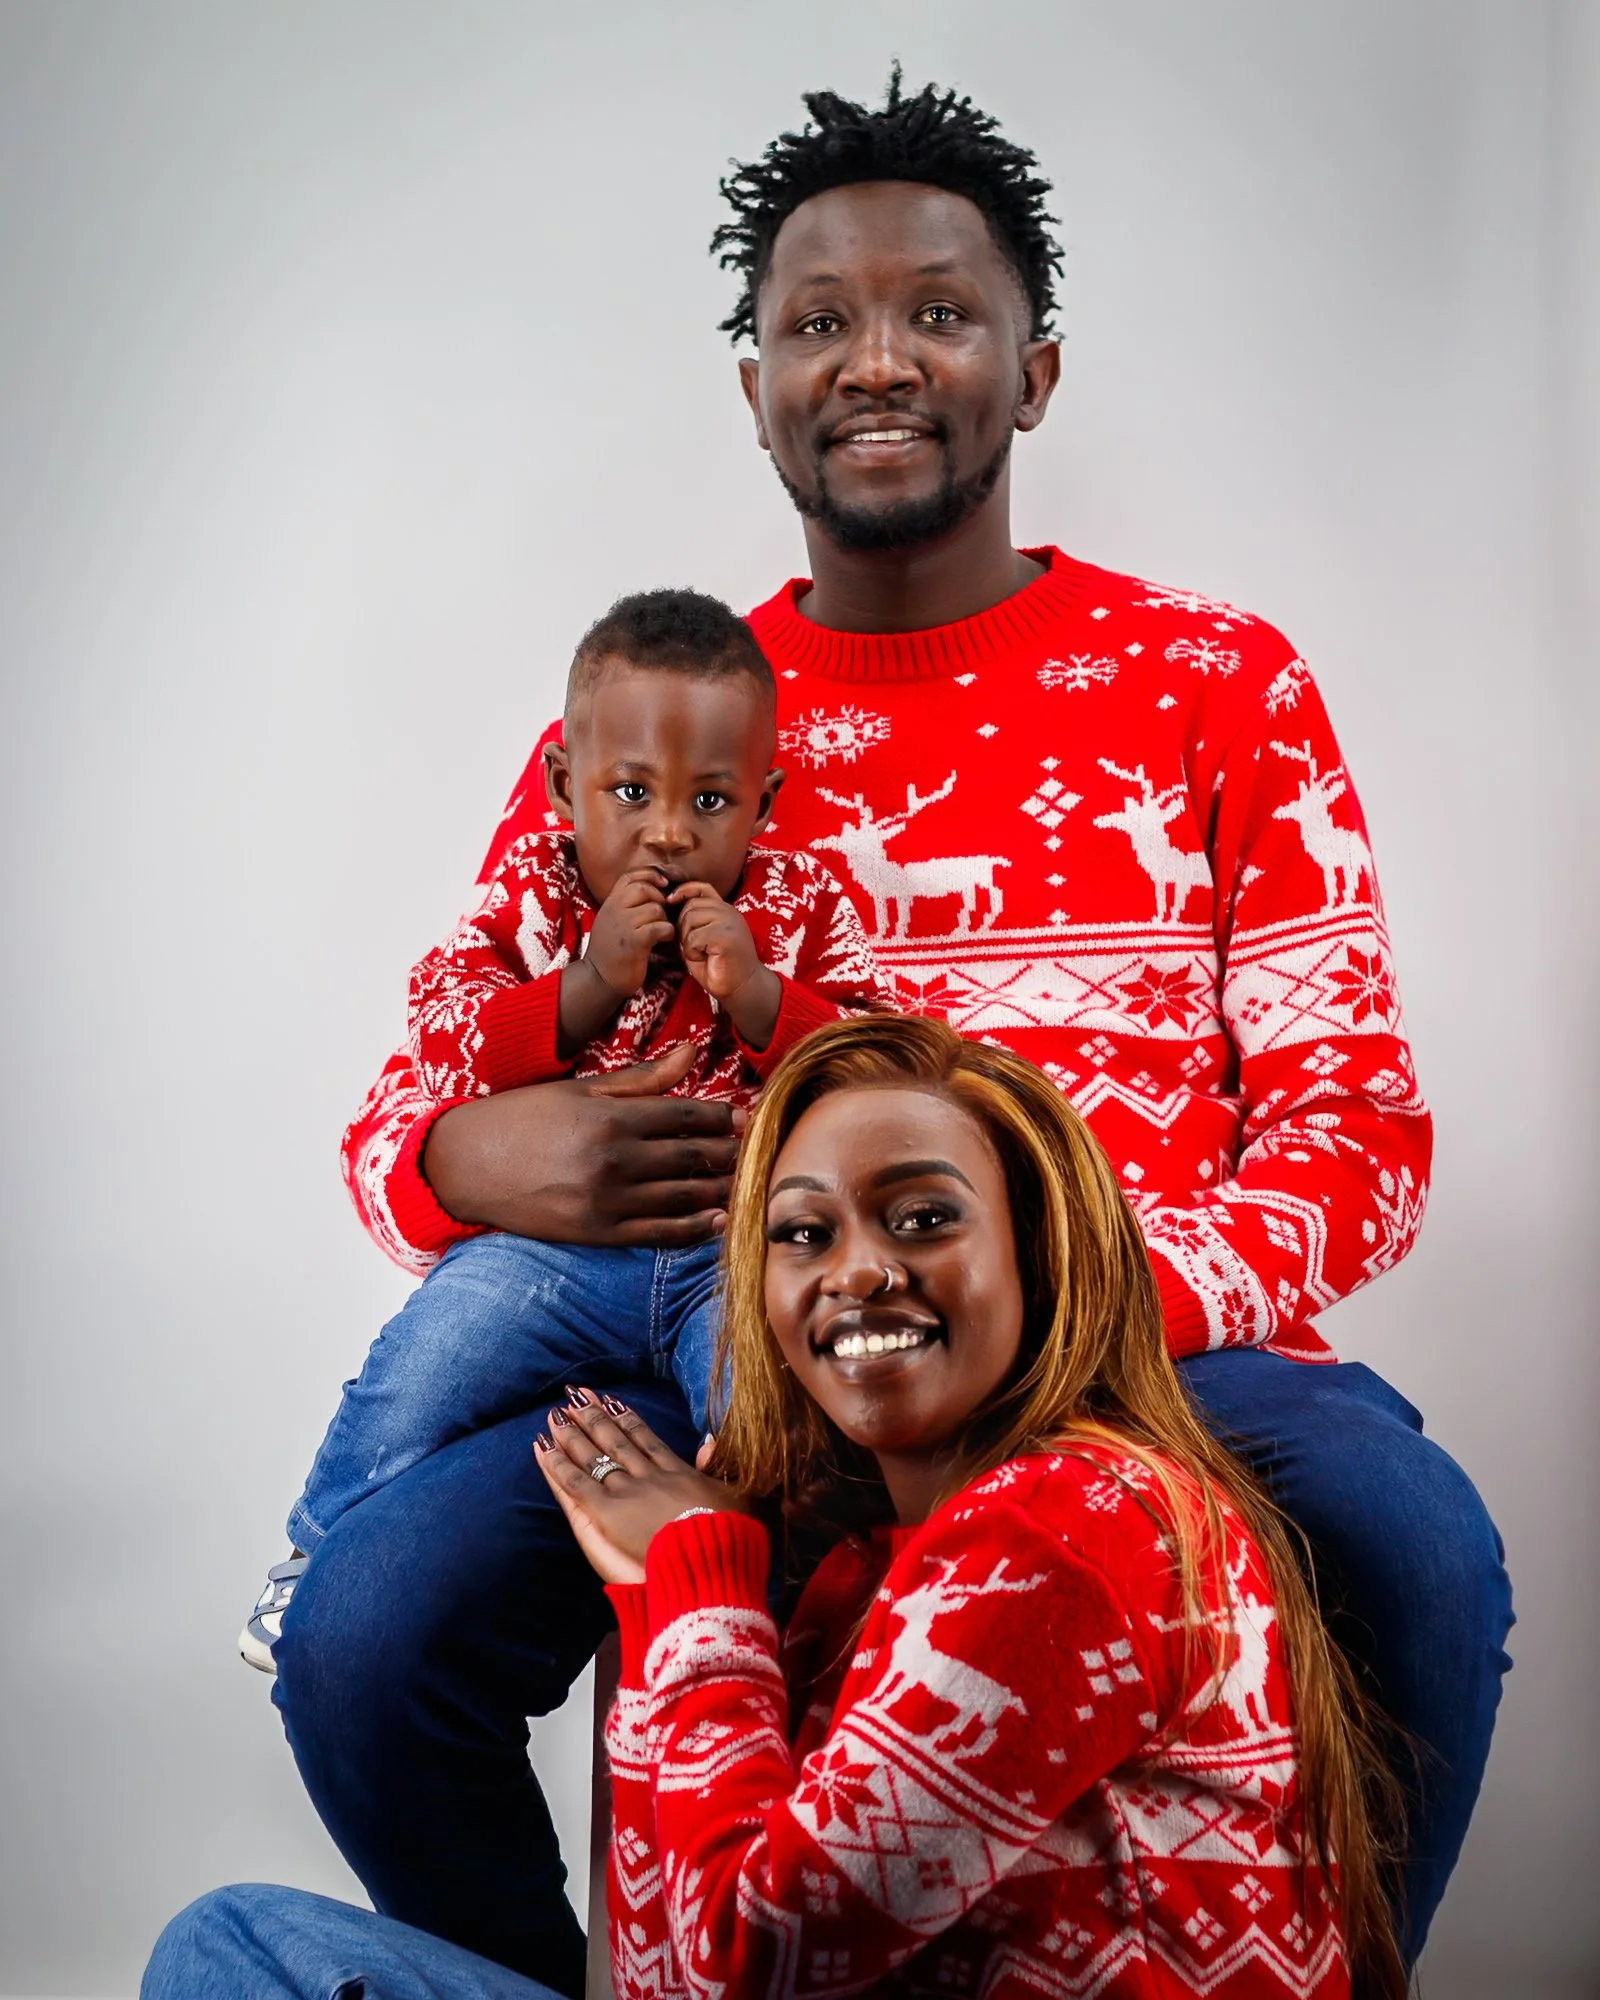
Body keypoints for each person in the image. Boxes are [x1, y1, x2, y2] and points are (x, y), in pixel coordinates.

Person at [278, 74, 1510, 1989]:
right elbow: (406, 1096)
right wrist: (465, 1157)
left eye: (940, 312)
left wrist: (1091, 1292)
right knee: (365, 1629)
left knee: (1408, 1540)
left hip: (1143, 1358)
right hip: (731, 1335)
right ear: (754, 382)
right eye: (816, 323)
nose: (877, 360)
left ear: (1034, 371)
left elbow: (1357, 1128)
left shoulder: (1216, 683)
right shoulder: (663, 721)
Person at [149, 1016, 1407, 1998]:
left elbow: (747, 1965)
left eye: (922, 1216)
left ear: (1039, 1250)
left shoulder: (1071, 1523)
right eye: (802, 1233)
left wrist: (689, 1580)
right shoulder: (852, 1572)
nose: (857, 1265)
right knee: (238, 1943)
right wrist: (674, 1607)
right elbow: (664, 1969)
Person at [241, 587, 889, 1670]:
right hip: (549, 1253)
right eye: (630, 791)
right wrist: (584, 983)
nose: (671, 830)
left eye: (713, 800)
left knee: (787, 1407)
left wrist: (765, 995)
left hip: (730, 1255)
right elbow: (442, 1029)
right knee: (430, 1357)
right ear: (561, 787)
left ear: (765, 803)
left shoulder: (799, 905)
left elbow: (884, 1061)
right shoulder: (532, 902)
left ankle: (805, 1603)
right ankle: (314, 1547)